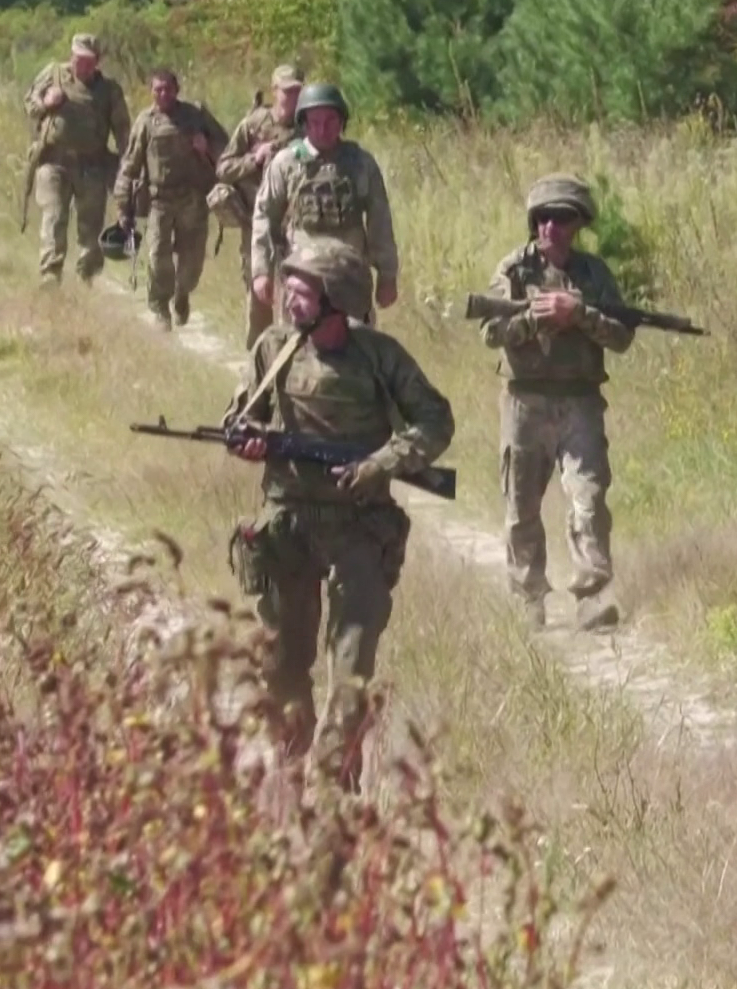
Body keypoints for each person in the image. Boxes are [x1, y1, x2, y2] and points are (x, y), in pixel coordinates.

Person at [221, 237, 454, 797]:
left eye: (304, 289)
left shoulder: (380, 357)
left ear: (338, 298)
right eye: (290, 285)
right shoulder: (273, 348)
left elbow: (435, 422)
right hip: (288, 524)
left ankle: (329, 785)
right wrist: (247, 442)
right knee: (281, 661)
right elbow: (240, 418)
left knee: (350, 669)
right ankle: (292, 768)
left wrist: (380, 464)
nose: (290, 297)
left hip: (358, 528)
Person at [475, 174, 632, 632]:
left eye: (561, 219)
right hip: (525, 402)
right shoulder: (513, 270)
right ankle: (528, 597)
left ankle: (593, 595)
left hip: (580, 402)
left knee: (589, 498)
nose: (550, 227)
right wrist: (534, 317)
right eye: (543, 218)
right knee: (521, 507)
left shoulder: (594, 274)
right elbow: (489, 332)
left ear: (578, 223)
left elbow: (622, 337)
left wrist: (580, 315)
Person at [249, 83, 397, 329]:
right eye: (315, 122)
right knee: (297, 349)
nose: (322, 129)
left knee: (358, 348)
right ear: (304, 124)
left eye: (330, 121)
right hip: (302, 274)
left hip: (350, 275)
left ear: (342, 122)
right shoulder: (286, 163)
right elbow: (265, 215)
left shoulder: (361, 163)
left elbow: (379, 220)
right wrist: (261, 270)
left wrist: (387, 275)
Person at [112, 68, 230, 327]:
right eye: (157, 89)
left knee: (192, 262)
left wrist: (206, 147)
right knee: (157, 256)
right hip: (159, 201)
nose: (163, 94)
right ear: (151, 91)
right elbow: (130, 165)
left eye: (168, 88)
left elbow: (227, 152)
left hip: (194, 200)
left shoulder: (196, 116)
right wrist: (123, 206)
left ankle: (181, 294)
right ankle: (160, 307)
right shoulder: (145, 121)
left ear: (177, 90)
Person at [23, 33, 129, 286]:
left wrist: (127, 166)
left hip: (92, 164)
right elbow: (30, 103)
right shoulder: (53, 74)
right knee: (53, 215)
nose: (82, 65)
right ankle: (50, 273)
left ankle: (87, 275)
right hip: (54, 161)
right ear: (71, 55)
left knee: (90, 224)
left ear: (98, 61)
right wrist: (46, 102)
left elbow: (123, 129)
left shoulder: (109, 90)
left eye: (89, 61)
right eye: (78, 58)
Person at [215, 64, 304, 349]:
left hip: (296, 227)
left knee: (296, 298)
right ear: (274, 90)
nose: (291, 97)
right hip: (258, 225)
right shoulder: (254, 124)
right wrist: (254, 159)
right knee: (259, 299)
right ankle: (256, 362)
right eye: (286, 91)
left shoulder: (309, 127)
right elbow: (223, 168)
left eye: (297, 91)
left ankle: (290, 361)